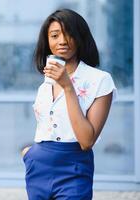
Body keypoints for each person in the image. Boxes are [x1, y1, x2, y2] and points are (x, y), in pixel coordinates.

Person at [21, 9, 117, 200]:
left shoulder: (100, 80)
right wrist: (29, 154)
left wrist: (68, 86)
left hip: (74, 168)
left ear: (81, 38)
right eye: (55, 35)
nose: (62, 41)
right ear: (47, 41)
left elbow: (86, 141)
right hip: (38, 169)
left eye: (69, 34)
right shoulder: (45, 84)